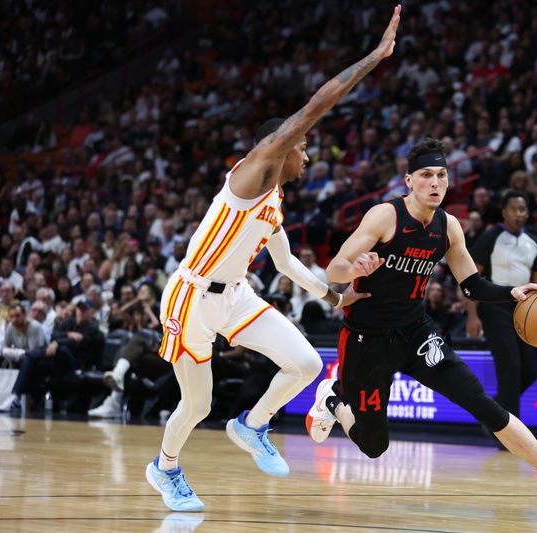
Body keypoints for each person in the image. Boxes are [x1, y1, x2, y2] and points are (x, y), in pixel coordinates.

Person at [145, 6, 401, 513]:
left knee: (306, 362)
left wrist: (333, 295)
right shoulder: (251, 175)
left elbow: (286, 265)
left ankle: (254, 424)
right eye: (301, 147)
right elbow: (314, 106)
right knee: (197, 404)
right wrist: (375, 57)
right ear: (278, 146)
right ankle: (166, 467)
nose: (306, 156)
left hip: (235, 296)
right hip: (191, 295)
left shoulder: (275, 201)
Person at [304, 137, 537, 521]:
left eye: (442, 176)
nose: (435, 183)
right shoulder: (384, 216)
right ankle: (333, 399)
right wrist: (355, 270)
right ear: (409, 181)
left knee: (486, 406)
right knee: (373, 445)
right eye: (426, 175)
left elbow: (471, 286)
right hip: (367, 338)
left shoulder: (448, 226)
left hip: (417, 333)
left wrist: (513, 292)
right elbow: (334, 269)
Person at [464, 191, 537, 422]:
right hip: (495, 307)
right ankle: (507, 435)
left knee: (530, 370)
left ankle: (494, 409)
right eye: (513, 209)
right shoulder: (490, 237)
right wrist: (472, 316)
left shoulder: (534, 243)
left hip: (525, 310)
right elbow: (472, 280)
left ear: (527, 213)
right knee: (510, 369)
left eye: (522, 209)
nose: (518, 214)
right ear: (504, 212)